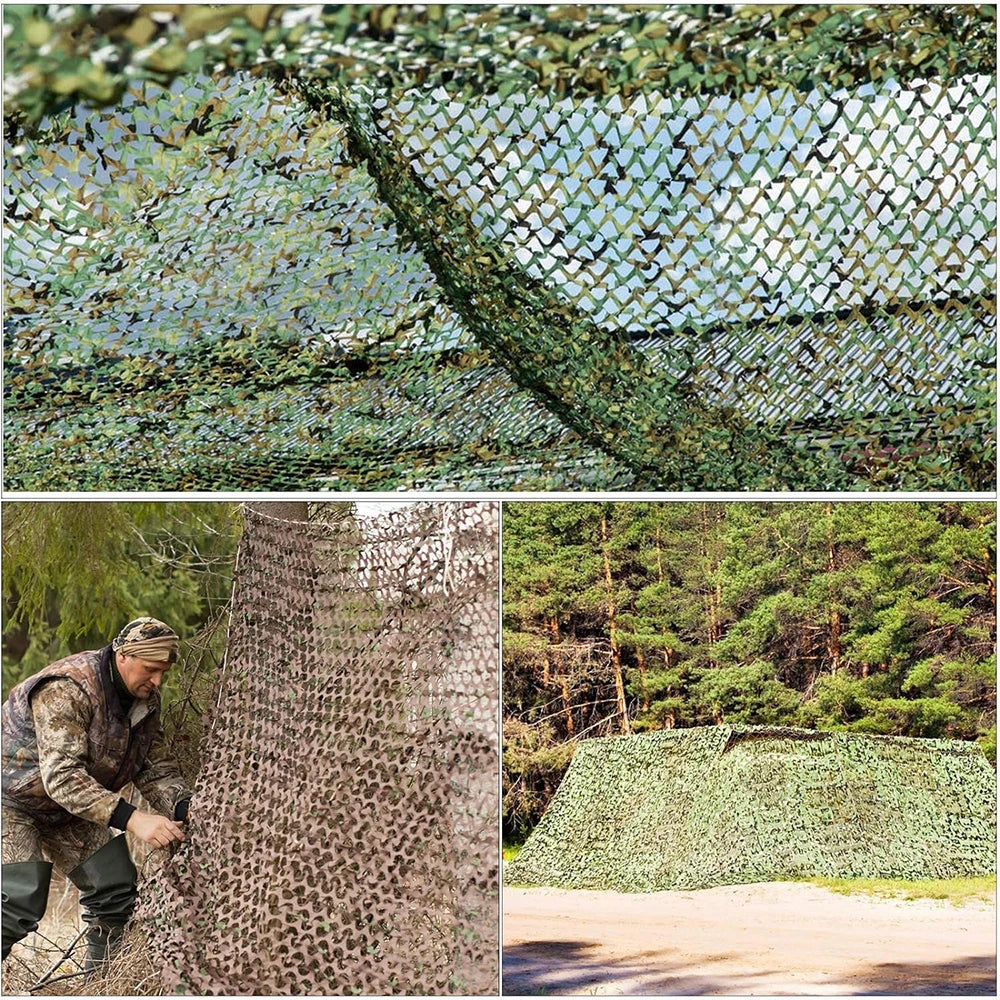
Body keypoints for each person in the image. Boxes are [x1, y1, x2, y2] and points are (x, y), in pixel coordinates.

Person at [1, 618, 192, 972]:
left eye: (163, 673)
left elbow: (154, 767)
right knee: (17, 899)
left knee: (114, 888)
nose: (157, 681)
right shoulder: (68, 688)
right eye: (150, 669)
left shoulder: (144, 701)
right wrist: (135, 819)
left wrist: (186, 808)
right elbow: (62, 777)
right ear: (123, 655)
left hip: (69, 807)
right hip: (11, 800)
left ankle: (100, 985)